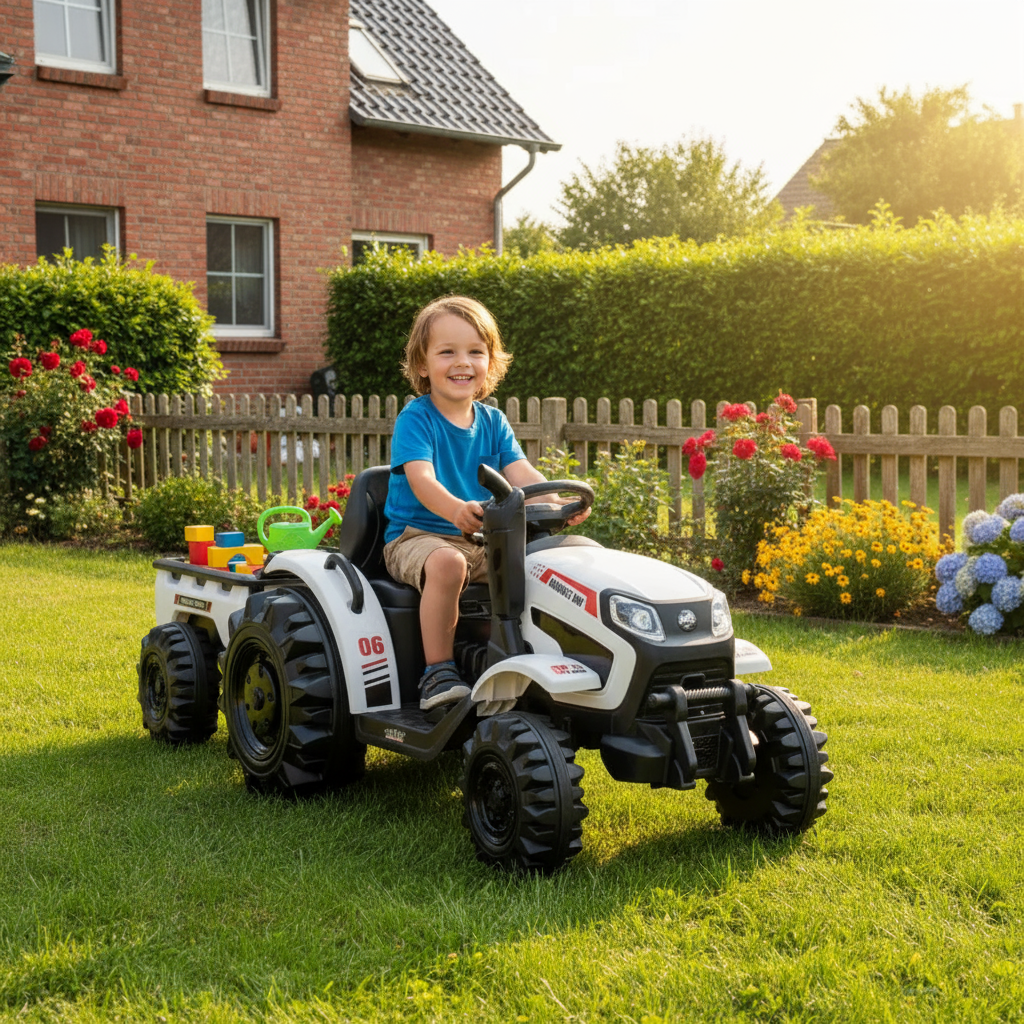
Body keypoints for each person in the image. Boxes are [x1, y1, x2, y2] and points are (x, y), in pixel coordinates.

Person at [383, 296, 591, 710]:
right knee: (448, 563)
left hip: (480, 538)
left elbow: (522, 474)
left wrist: (557, 501)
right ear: (422, 365)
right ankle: (437, 673)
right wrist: (455, 509)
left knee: (558, 561)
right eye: (448, 352)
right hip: (417, 536)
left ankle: (543, 656)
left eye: (476, 352)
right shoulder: (416, 419)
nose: (463, 362)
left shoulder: (493, 422)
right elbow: (421, 479)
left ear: (490, 364)